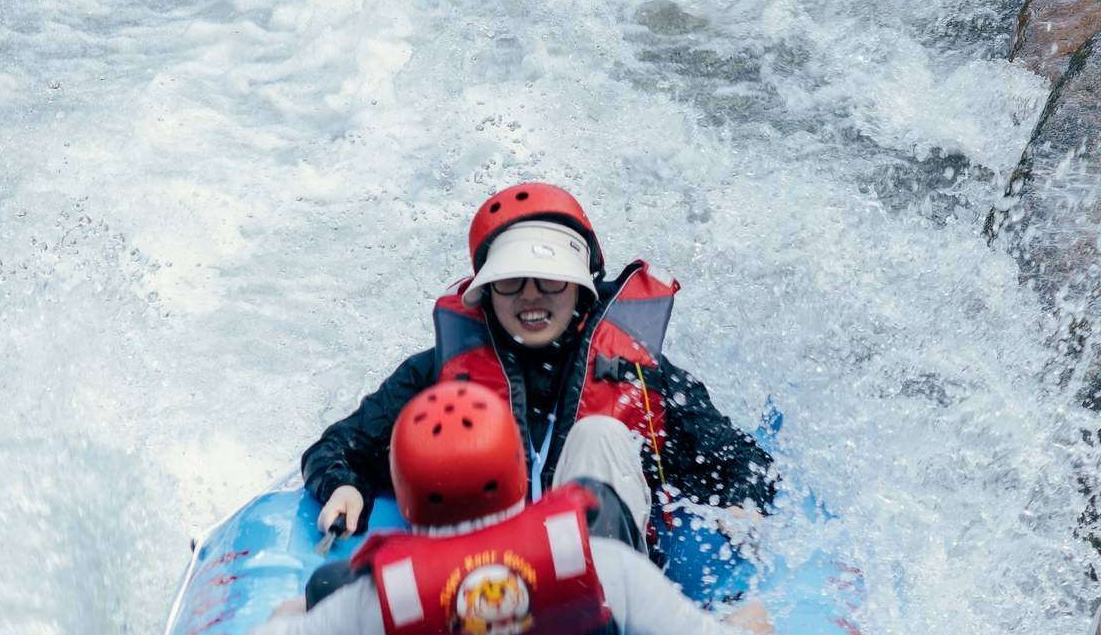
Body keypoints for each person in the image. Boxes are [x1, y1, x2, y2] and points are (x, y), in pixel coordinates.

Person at [301, 182, 774, 558]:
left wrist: (745, 504)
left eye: (551, 279)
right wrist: (343, 485)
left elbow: (742, 462)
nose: (531, 295)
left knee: (600, 435)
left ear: (580, 288)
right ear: (486, 293)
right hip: (472, 593)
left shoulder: (642, 377)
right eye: (509, 281)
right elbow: (337, 447)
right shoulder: (435, 377)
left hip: (602, 594)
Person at [232, 382, 774, 635]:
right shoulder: (605, 564)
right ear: (521, 475)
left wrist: (288, 621)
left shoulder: (376, 606)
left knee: (323, 584)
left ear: (404, 494)